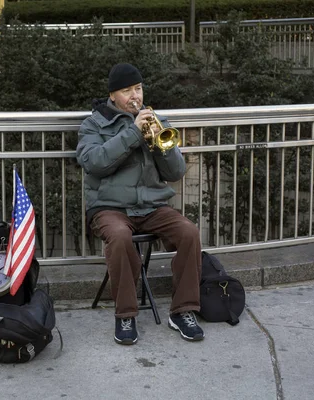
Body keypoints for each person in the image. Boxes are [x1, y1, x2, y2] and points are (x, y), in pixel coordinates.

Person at [76, 63, 204, 345]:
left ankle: (183, 311)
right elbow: (93, 163)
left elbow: (175, 173)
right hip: (109, 207)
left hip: (151, 206)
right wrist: (133, 134)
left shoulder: (155, 120)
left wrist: (161, 146)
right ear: (112, 95)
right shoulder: (93, 124)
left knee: (188, 233)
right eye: (127, 91)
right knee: (121, 237)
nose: (135, 96)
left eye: (138, 88)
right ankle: (125, 315)